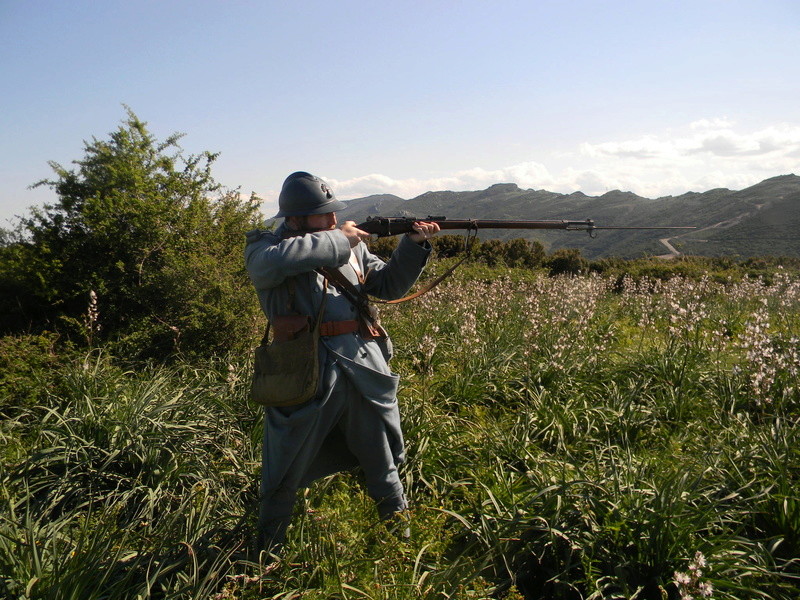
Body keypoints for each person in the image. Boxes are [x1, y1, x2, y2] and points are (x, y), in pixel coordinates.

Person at [244, 171, 439, 552]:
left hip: (365, 368)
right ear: (295, 219)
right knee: (281, 474)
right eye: (323, 215)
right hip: (302, 376)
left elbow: (387, 286)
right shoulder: (266, 249)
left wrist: (413, 245)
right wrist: (340, 239)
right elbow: (271, 265)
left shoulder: (350, 246)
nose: (333, 220)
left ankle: (401, 547)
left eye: (334, 214)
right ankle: (265, 558)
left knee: (384, 466)